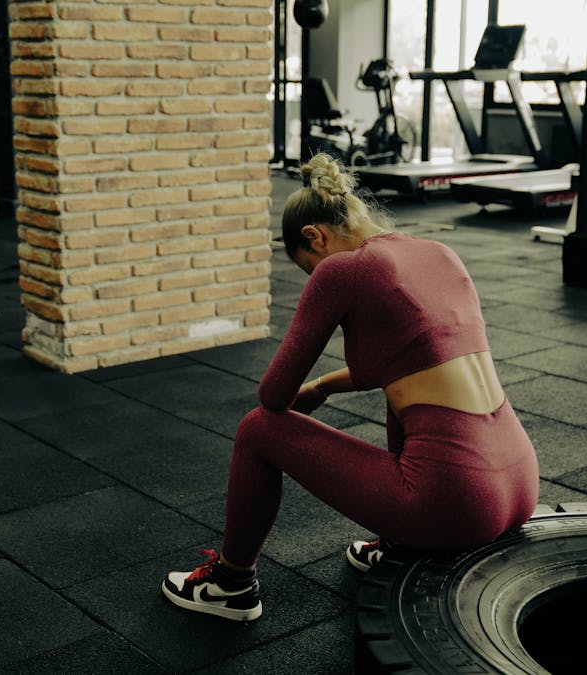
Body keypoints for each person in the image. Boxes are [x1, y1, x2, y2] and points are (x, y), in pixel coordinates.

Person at [161, 154, 539, 621]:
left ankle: (230, 584)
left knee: (258, 429)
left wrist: (307, 380)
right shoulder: (438, 253)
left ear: (313, 236)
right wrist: (323, 387)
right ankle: (400, 541)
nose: (313, 275)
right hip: (521, 482)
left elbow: (273, 396)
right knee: (406, 399)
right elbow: (412, 361)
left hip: (454, 499)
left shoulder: (343, 271)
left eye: (309, 266)